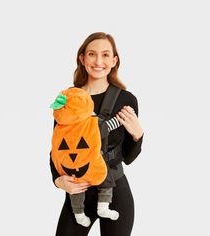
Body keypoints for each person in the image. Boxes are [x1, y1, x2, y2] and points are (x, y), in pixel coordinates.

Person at [49, 32, 144, 236]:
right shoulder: (67, 100)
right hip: (79, 193)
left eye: (105, 55)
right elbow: (58, 148)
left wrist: (138, 136)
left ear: (114, 61)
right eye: (92, 54)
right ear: (82, 58)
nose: (98, 61)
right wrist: (57, 180)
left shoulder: (127, 100)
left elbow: (128, 158)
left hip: (115, 191)